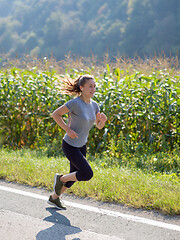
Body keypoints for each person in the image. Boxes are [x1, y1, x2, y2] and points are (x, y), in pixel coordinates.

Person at [47, 74, 107, 210]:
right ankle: (60, 179)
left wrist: (102, 122)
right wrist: (68, 130)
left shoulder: (95, 105)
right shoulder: (75, 103)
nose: (93, 89)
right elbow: (55, 114)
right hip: (70, 145)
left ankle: (54, 198)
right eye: (90, 86)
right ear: (82, 87)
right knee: (87, 173)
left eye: (94, 86)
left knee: (73, 177)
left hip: (81, 145)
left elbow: (98, 126)